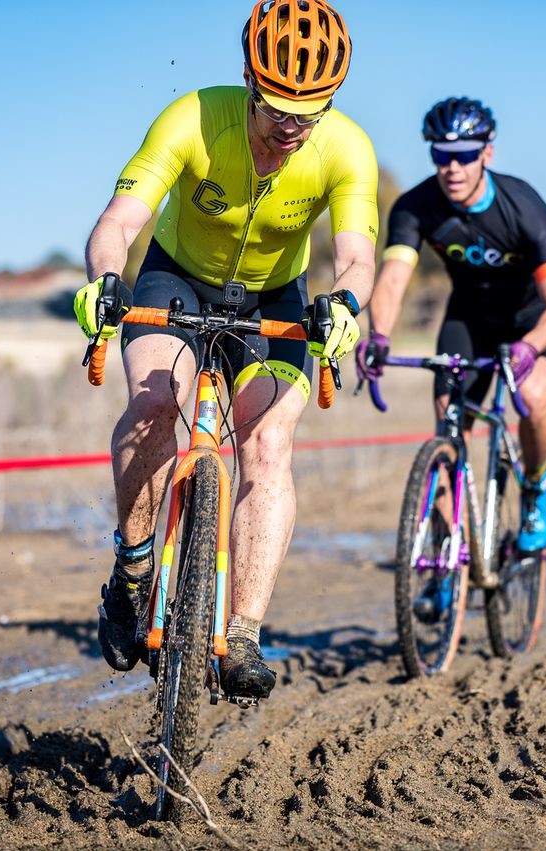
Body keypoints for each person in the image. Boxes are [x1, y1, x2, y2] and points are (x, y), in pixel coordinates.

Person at [72, 0, 377, 700]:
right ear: (247, 79)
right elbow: (119, 219)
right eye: (276, 109)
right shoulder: (193, 118)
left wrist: (345, 307)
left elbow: (356, 256)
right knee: (154, 403)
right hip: (174, 280)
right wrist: (104, 280)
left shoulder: (347, 148)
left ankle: (242, 633)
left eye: (312, 111)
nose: (293, 127)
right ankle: (135, 568)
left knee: (268, 445)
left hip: (276, 299)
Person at [358, 96, 546, 572]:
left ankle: (536, 484)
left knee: (534, 399)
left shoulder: (524, 206)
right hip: (468, 319)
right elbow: (394, 277)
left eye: (464, 155)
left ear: (488, 153)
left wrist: (531, 346)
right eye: (440, 155)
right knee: (449, 433)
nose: (452, 167)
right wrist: (378, 335)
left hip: (530, 323)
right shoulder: (415, 207)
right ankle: (444, 560)